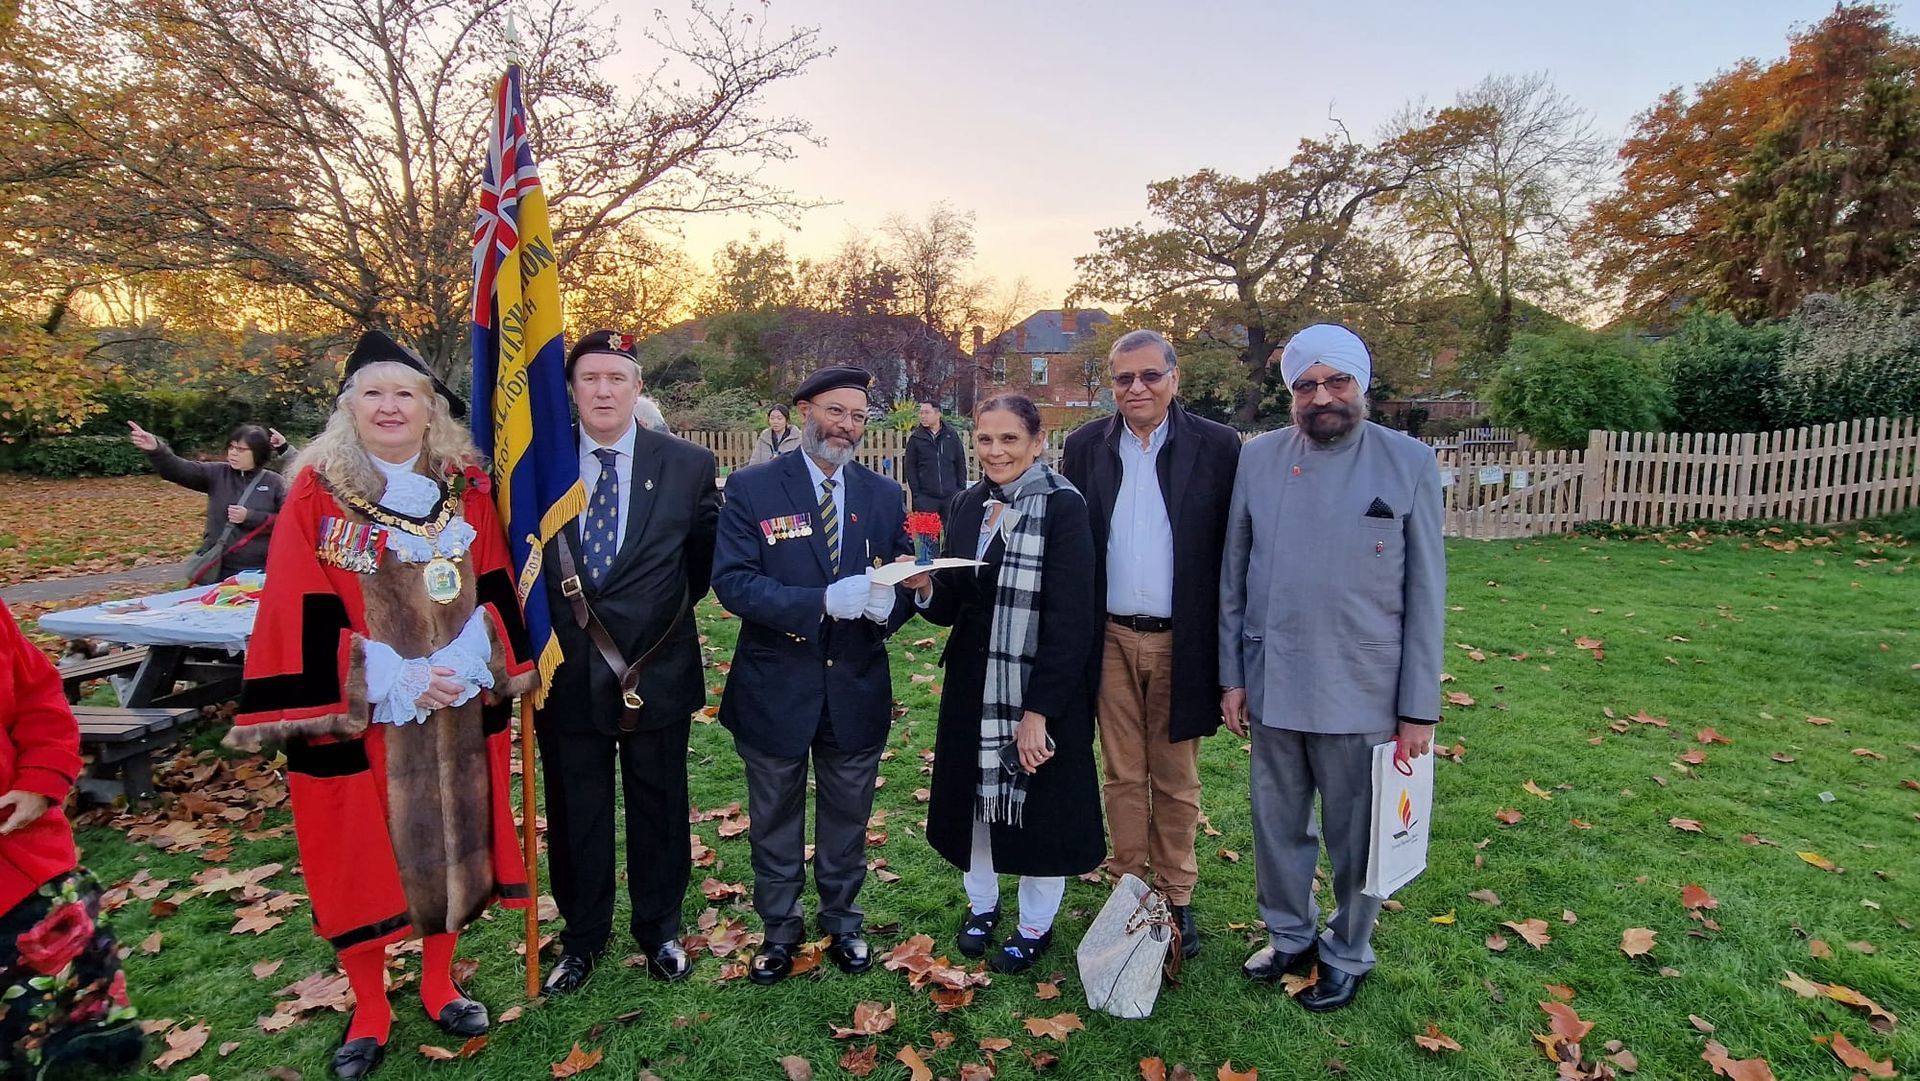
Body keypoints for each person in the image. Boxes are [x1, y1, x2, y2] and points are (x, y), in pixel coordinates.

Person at [227, 330, 539, 1078]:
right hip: (365, 709)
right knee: (359, 860)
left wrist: (461, 661)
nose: (390, 406)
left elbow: (495, 577)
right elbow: (295, 602)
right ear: (349, 408)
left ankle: (439, 982)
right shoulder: (317, 491)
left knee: (453, 845)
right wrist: (391, 674)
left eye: (406, 394)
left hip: (455, 698)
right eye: (374, 393)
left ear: (431, 410)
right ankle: (370, 1005)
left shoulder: (465, 486)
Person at [1219, 323, 1443, 1013]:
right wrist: (1232, 675)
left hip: (1364, 688)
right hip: (1274, 677)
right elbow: (1234, 574)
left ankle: (1348, 949)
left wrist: (1418, 708)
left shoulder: (1408, 461)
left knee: (1357, 836)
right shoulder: (1258, 460)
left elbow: (1426, 594)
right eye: (1306, 385)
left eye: (1335, 381)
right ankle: (1289, 935)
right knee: (1277, 825)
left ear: (1359, 385)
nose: (1322, 397)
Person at [711, 366, 912, 986]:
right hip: (776, 685)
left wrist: (891, 606)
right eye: (835, 411)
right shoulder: (753, 487)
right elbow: (733, 582)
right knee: (774, 816)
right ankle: (779, 929)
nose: (847, 426)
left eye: (858, 417)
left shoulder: (883, 494)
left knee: (848, 817)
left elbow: (903, 576)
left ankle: (843, 921)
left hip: (855, 684)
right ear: (805, 411)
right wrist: (819, 602)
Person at [537, 331, 719, 996]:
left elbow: (699, 565)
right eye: (590, 378)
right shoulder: (540, 466)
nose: (604, 390)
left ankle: (660, 929)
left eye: (617, 377)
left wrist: (650, 620)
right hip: (567, 671)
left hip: (655, 667)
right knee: (576, 812)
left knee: (660, 805)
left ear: (638, 387)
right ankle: (582, 938)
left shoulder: (687, 464)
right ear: (571, 389)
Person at [1060, 329, 1240, 959]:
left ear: (1174, 377)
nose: (1136, 387)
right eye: (1123, 378)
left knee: (1175, 774)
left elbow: (1233, 546)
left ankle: (1176, 892)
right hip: (1108, 634)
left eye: (1149, 376)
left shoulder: (1217, 445)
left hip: (1181, 639)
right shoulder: (1085, 446)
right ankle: (1129, 888)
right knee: (1122, 771)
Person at [912, 394, 1103, 974]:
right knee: (975, 800)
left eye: (1010, 439)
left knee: (1041, 812)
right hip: (973, 683)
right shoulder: (967, 503)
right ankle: (982, 904)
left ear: (1038, 442)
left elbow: (1073, 621)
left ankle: (1035, 923)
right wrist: (925, 586)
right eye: (986, 440)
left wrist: (1039, 712)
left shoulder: (1065, 507)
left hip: (1043, 686)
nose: (996, 452)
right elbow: (953, 602)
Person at [0, 600, 142, 1077]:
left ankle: (89, 1043)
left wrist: (41, 778)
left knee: (68, 954)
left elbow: (38, 699)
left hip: (24, 846)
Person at [127, 420, 289, 581]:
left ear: (258, 452)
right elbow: (179, 470)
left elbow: (287, 522)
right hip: (218, 566)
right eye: (231, 447)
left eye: (240, 449)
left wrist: (250, 516)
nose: (233, 453)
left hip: (260, 568)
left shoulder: (275, 482)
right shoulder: (217, 473)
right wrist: (156, 449)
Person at [905, 400, 968, 513]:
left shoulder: (951, 435)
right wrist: (917, 494)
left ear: (938, 414)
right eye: (921, 413)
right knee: (926, 525)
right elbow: (910, 468)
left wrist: (960, 490)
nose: (923, 416)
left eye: (926, 412)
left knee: (952, 525)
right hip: (926, 498)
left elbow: (960, 463)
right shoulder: (916, 438)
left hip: (951, 496)